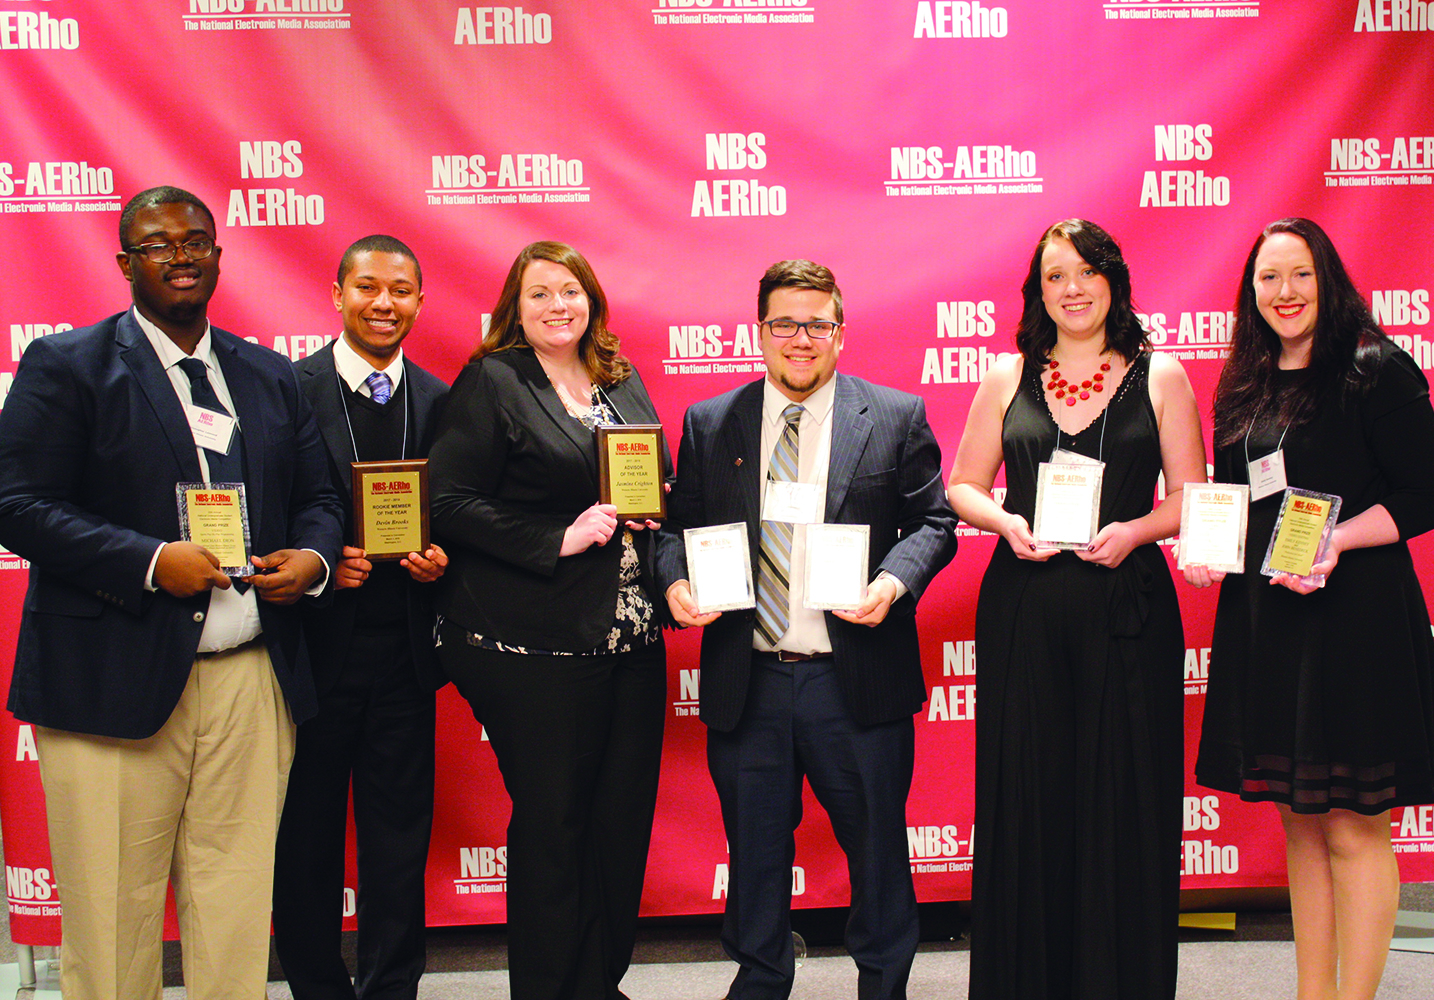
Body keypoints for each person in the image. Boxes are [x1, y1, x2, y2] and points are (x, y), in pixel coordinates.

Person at [0, 186, 342, 1000]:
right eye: (158, 244)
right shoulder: (68, 365)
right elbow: (17, 504)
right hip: (109, 677)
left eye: (195, 242)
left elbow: (321, 499)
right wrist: (152, 561)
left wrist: (313, 560)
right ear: (125, 263)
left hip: (250, 680)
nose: (180, 256)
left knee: (234, 914)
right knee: (112, 919)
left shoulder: (268, 375)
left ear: (218, 256)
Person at [659, 259, 957, 1000]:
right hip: (750, 678)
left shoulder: (894, 416)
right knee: (755, 854)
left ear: (840, 333)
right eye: (785, 324)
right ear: (759, 332)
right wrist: (676, 582)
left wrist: (892, 583)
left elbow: (934, 523)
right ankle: (761, 981)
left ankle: (883, 986)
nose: (801, 338)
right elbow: (673, 530)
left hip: (854, 677)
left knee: (877, 850)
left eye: (817, 324)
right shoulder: (710, 422)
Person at [1186, 218, 1434, 1000]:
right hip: (1270, 623)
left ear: (1327, 278)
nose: (1285, 292)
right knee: (1300, 826)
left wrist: (1338, 539)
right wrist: (1208, 547)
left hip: (1357, 624)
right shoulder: (1245, 381)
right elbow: (1237, 495)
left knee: (1353, 827)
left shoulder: (1375, 368)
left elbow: (1426, 497)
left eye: (1300, 274)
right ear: (1251, 291)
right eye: (1269, 278)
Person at [948, 219, 1205, 1000]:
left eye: (1087, 272)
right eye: (1056, 275)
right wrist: (1004, 522)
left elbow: (1192, 497)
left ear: (1113, 281)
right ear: (1038, 291)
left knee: (1125, 798)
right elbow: (963, 485)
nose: (1073, 288)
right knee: (1029, 797)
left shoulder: (1162, 376)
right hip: (1025, 607)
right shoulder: (1007, 375)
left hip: (1127, 611)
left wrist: (1137, 530)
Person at [426, 241, 668, 1000]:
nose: (557, 306)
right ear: (515, 308)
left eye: (570, 291)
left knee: (619, 823)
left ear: (591, 300)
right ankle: (547, 988)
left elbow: (645, 475)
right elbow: (447, 501)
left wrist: (651, 502)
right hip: (530, 643)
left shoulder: (619, 379)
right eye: (539, 294)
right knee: (554, 823)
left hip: (630, 637)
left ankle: (597, 982)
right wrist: (555, 536)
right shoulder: (494, 380)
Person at [273, 235, 450, 1000]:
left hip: (404, 656)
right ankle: (317, 988)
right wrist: (314, 560)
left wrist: (443, 559)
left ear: (419, 301)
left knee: (399, 845)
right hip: (312, 657)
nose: (384, 303)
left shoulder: (441, 400)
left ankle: (391, 989)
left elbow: (460, 509)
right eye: (368, 287)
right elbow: (260, 504)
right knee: (304, 841)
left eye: (400, 291)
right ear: (337, 293)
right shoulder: (288, 389)